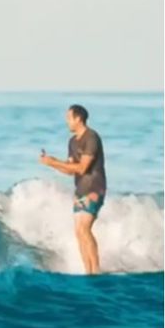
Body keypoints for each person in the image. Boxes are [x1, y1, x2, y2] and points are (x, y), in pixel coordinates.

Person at [40, 104, 106, 275]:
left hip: (94, 188)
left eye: (69, 118)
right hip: (80, 190)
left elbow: (83, 168)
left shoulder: (91, 138)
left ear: (78, 118)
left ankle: (96, 271)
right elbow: (71, 169)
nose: (66, 121)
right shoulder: (72, 141)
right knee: (78, 232)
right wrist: (51, 164)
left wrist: (54, 161)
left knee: (84, 228)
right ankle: (88, 271)